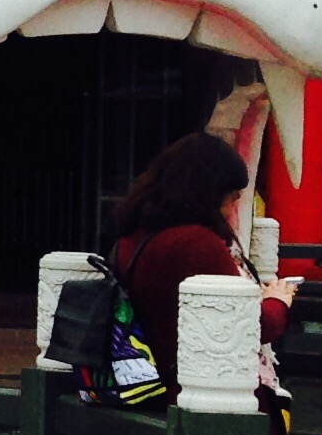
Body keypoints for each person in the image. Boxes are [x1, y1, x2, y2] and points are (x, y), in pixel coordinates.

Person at [111, 131, 296, 403]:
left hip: (148, 383)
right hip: (200, 394)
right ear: (209, 194)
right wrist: (278, 300)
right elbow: (248, 325)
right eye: (231, 197)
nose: (234, 207)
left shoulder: (132, 239)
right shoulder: (197, 245)